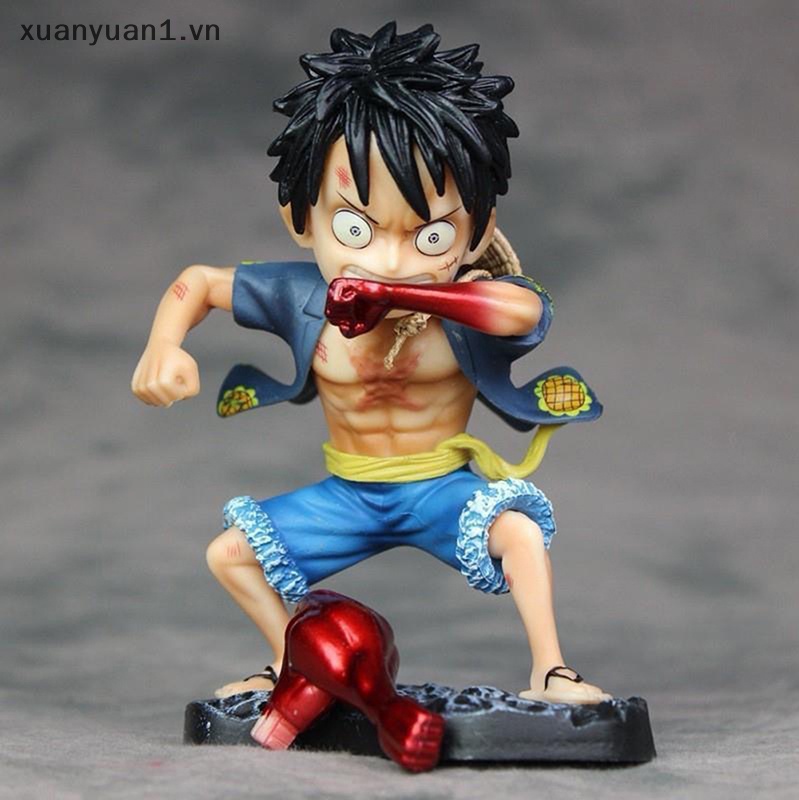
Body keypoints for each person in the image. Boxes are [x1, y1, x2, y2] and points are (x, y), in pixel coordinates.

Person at [131, 22, 610, 704]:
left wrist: (401, 294)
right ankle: (296, 662)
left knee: (521, 535)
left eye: (431, 235)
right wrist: (163, 344)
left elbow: (526, 312)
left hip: (440, 490)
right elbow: (199, 283)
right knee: (230, 555)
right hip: (349, 495)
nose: (388, 259)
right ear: (302, 218)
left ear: (477, 230)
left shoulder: (469, 303)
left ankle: (551, 671)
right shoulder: (303, 297)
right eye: (355, 228)